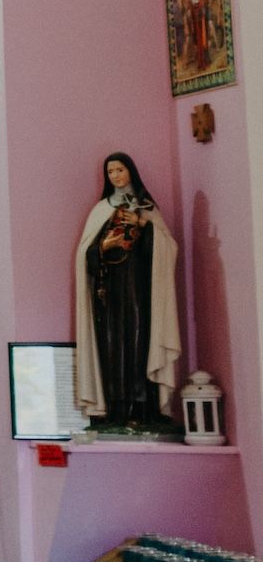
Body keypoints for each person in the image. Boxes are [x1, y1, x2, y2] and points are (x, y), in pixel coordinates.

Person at [73, 150, 181, 434]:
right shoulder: (101, 210)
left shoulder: (146, 206)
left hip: (139, 289)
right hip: (108, 293)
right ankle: (116, 408)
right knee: (111, 345)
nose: (116, 176)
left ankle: (143, 407)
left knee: (138, 341)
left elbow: (167, 248)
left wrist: (143, 227)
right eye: (110, 172)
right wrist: (100, 249)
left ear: (130, 170)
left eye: (120, 169)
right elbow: (87, 251)